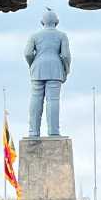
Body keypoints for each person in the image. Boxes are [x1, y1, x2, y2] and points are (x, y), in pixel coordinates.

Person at [24, 8, 72, 139]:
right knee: (53, 101)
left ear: (42, 22)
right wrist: (66, 69)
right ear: (57, 22)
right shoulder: (62, 36)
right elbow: (66, 55)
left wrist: (33, 64)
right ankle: (54, 131)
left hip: (37, 69)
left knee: (36, 99)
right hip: (55, 69)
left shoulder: (34, 36)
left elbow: (27, 53)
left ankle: (33, 132)